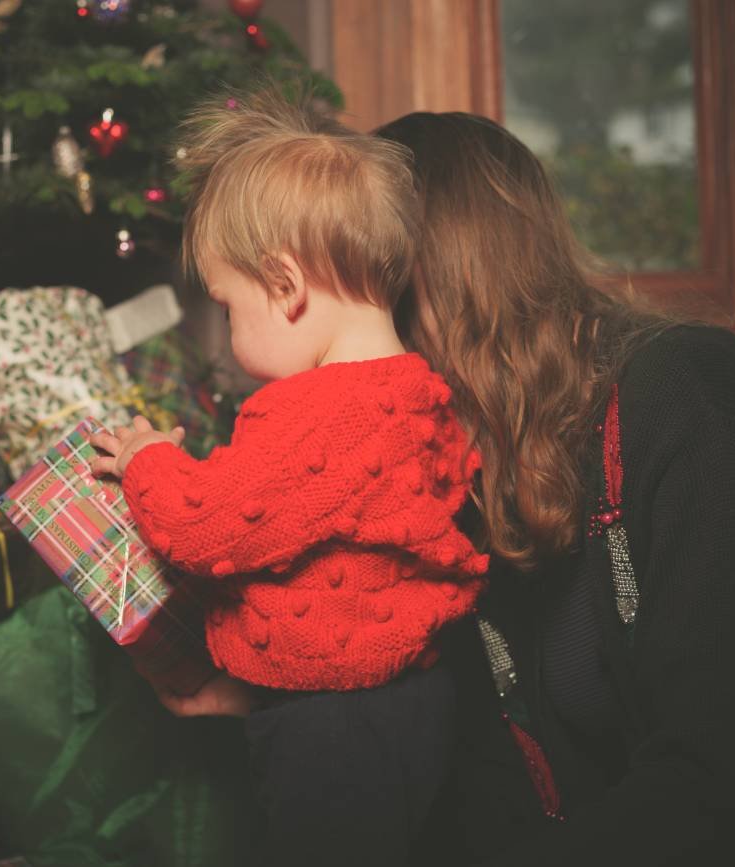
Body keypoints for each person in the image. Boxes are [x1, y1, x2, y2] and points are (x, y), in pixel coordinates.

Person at [371, 111, 735, 866]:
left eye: (363, 299)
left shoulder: (689, 395)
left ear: (437, 283)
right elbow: (483, 788)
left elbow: (711, 782)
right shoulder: (455, 465)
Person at [88, 90, 489, 867]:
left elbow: (205, 526)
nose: (233, 333)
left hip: (333, 731)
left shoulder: (310, 412)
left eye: (229, 307)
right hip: (414, 702)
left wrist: (146, 459)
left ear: (285, 286)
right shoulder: (421, 392)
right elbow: (332, 572)